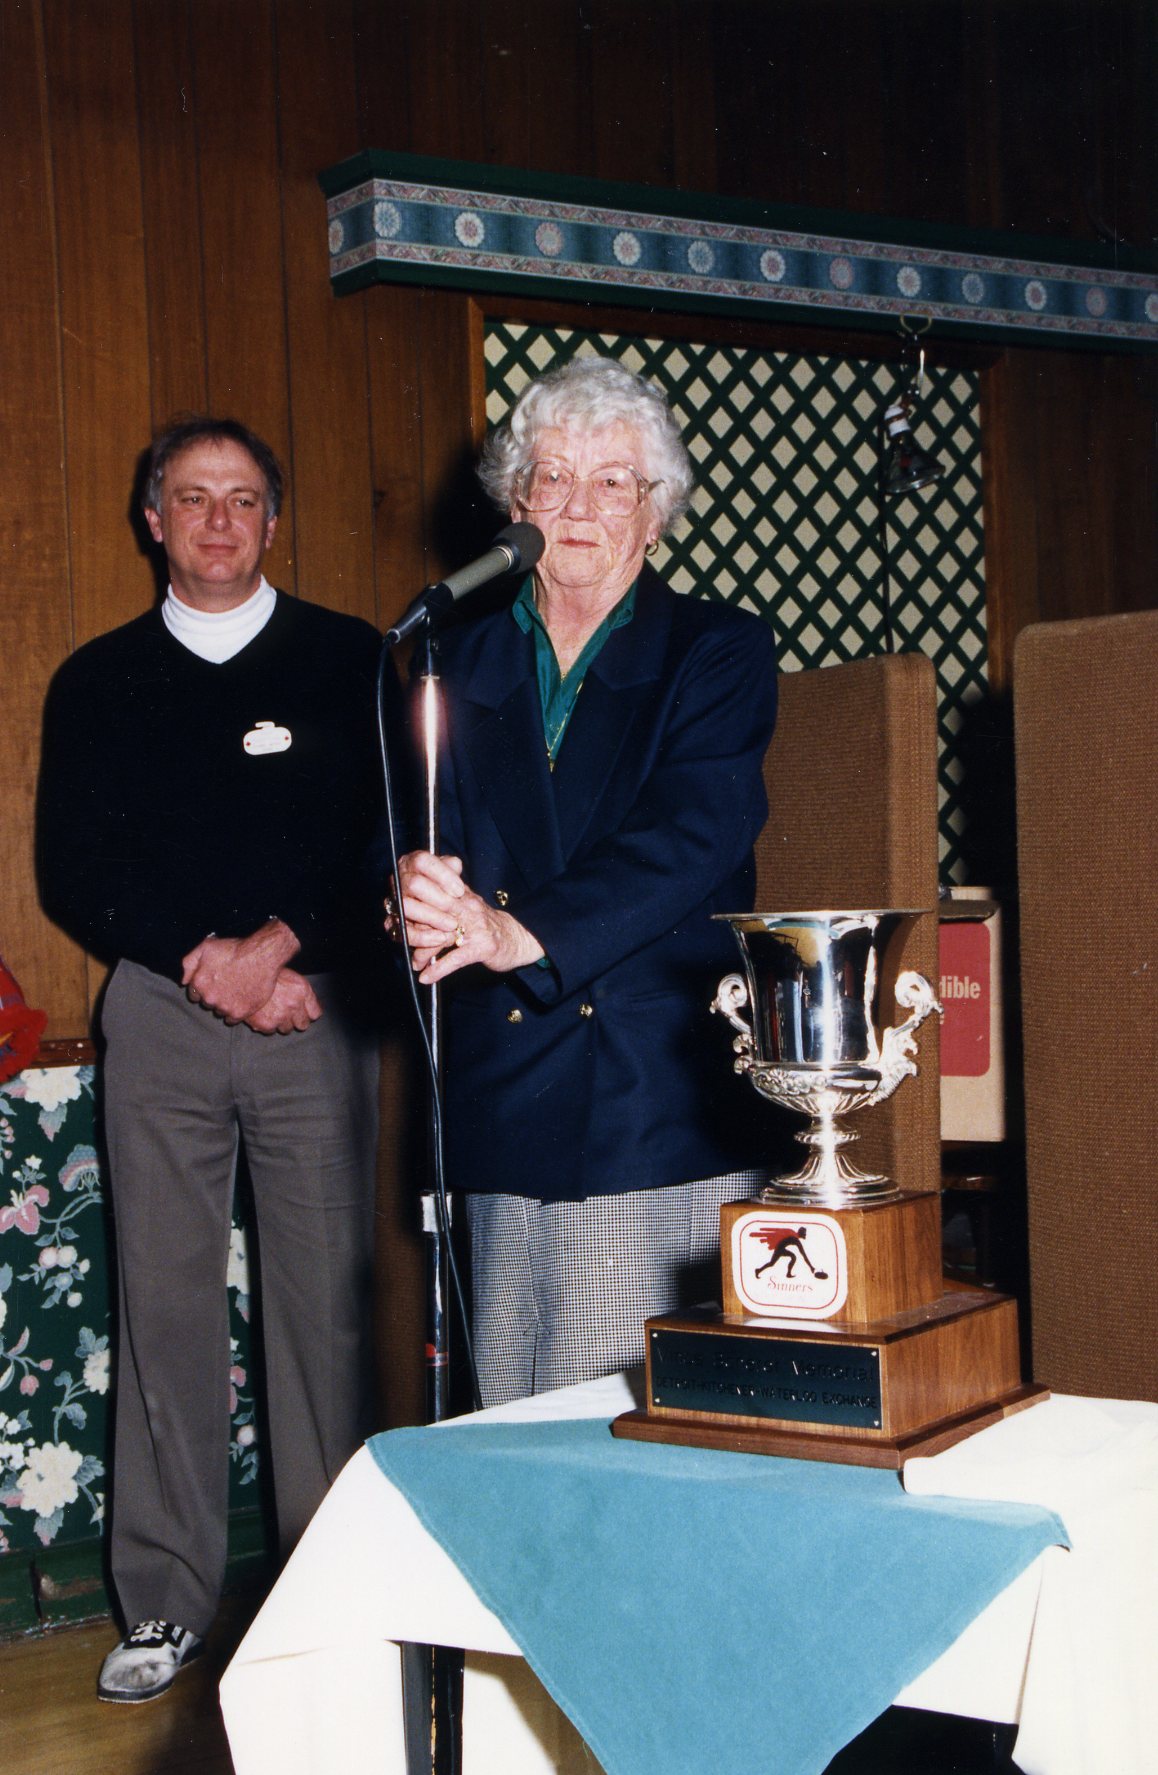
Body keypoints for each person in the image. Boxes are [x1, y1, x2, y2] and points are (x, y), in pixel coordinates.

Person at [37, 417, 387, 1703]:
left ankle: (334, 1601)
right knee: (166, 1306)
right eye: (194, 498)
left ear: (274, 520)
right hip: (162, 1009)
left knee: (325, 1313)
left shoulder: (351, 658)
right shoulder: (98, 678)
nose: (220, 521)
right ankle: (165, 1601)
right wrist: (203, 958)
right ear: (154, 520)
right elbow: (73, 866)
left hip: (315, 1006)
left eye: (242, 499)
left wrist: (284, 946)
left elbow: (385, 839)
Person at [391, 356, 778, 1408]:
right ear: (515, 502)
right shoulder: (452, 658)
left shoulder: (717, 650)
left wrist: (519, 932)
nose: (577, 507)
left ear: (657, 513)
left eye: (613, 482)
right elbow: (419, 833)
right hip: (500, 1095)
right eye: (552, 477)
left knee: (619, 1423)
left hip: (648, 1103)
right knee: (507, 1419)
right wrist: (408, 889)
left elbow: (694, 834)